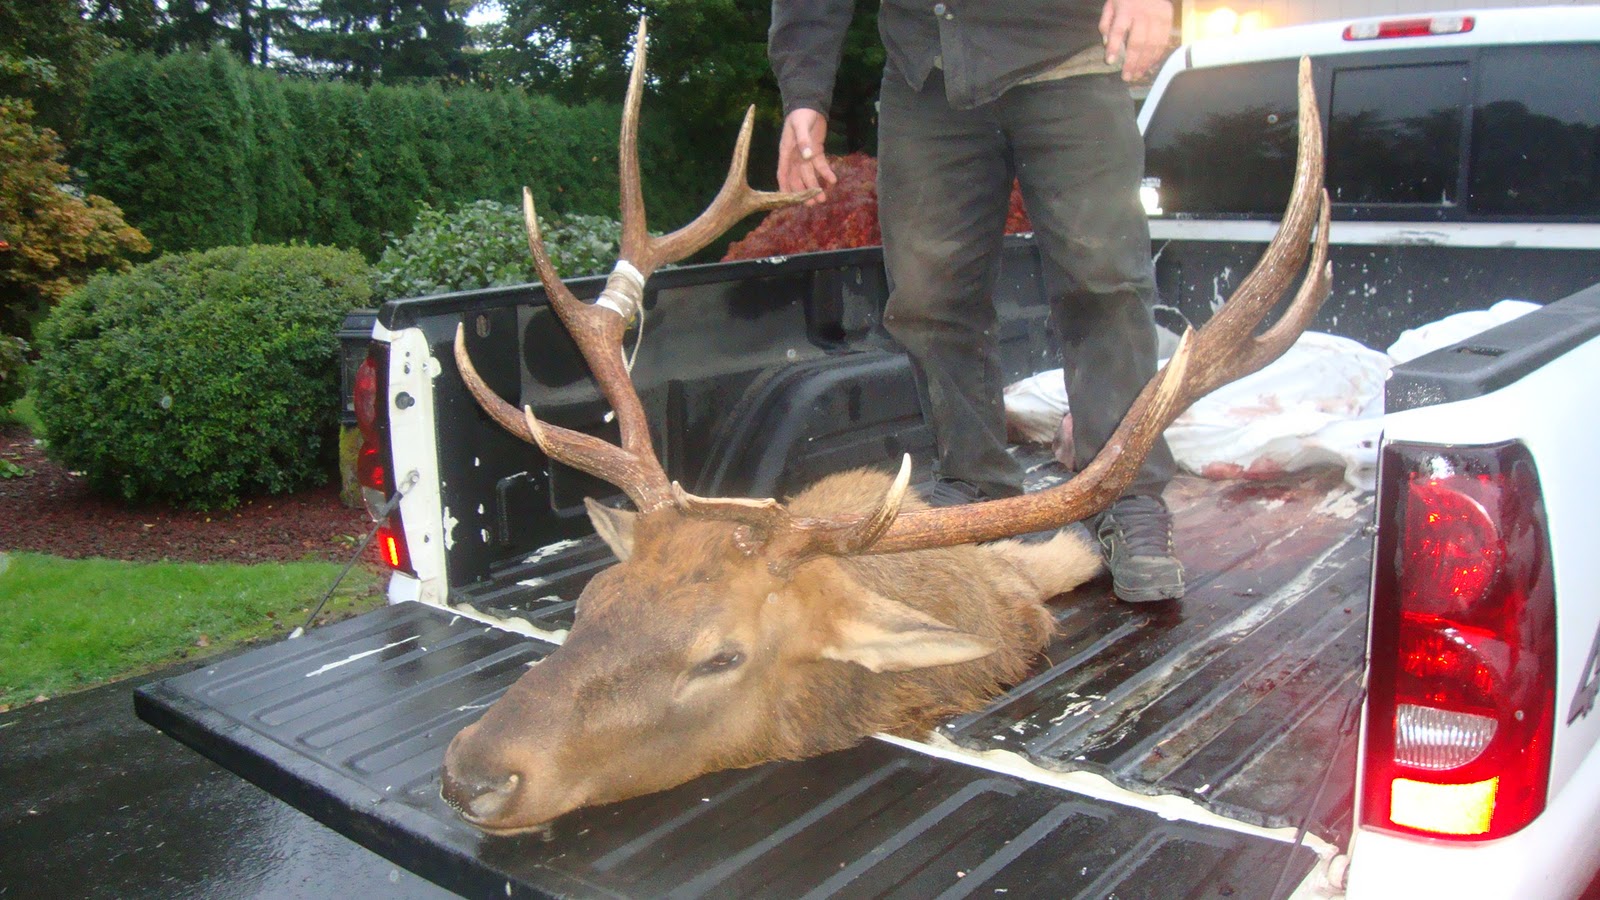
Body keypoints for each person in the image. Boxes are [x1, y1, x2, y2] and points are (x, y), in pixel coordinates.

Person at [769, 0, 1185, 602]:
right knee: (930, 302)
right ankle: (974, 482)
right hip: (927, 74)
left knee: (1104, 287)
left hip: (1068, 55)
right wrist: (804, 93)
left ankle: (1128, 496)